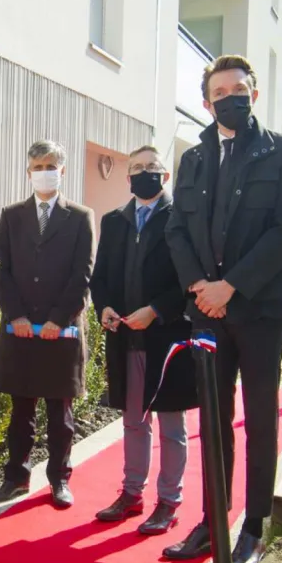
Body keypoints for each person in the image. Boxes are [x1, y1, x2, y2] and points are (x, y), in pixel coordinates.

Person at [162, 55, 282, 563]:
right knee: (213, 422)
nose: (231, 97)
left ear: (255, 94)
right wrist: (201, 288)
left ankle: (253, 529)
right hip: (206, 310)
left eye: (240, 88)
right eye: (220, 90)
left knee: (260, 420)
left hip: (260, 312)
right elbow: (177, 227)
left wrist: (231, 286)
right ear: (206, 101)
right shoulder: (195, 158)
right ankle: (213, 520)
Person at [89, 146, 198, 534]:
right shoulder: (115, 221)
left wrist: (155, 310)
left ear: (165, 176)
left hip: (166, 339)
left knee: (171, 426)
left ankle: (169, 501)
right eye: (136, 168)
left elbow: (190, 280)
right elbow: (99, 276)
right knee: (134, 421)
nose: (143, 174)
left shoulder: (182, 219)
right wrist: (102, 307)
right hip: (125, 338)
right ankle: (132, 494)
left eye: (152, 168)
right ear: (128, 177)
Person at [0, 140, 96, 509]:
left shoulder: (80, 217)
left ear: (61, 171)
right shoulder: (12, 215)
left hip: (59, 332)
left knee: (60, 416)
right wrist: (15, 315)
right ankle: (16, 477)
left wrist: (57, 318)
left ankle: (59, 480)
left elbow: (83, 274)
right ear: (28, 172)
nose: (43, 171)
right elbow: (0, 269)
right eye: (36, 166)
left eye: (50, 165)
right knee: (21, 414)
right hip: (20, 331)